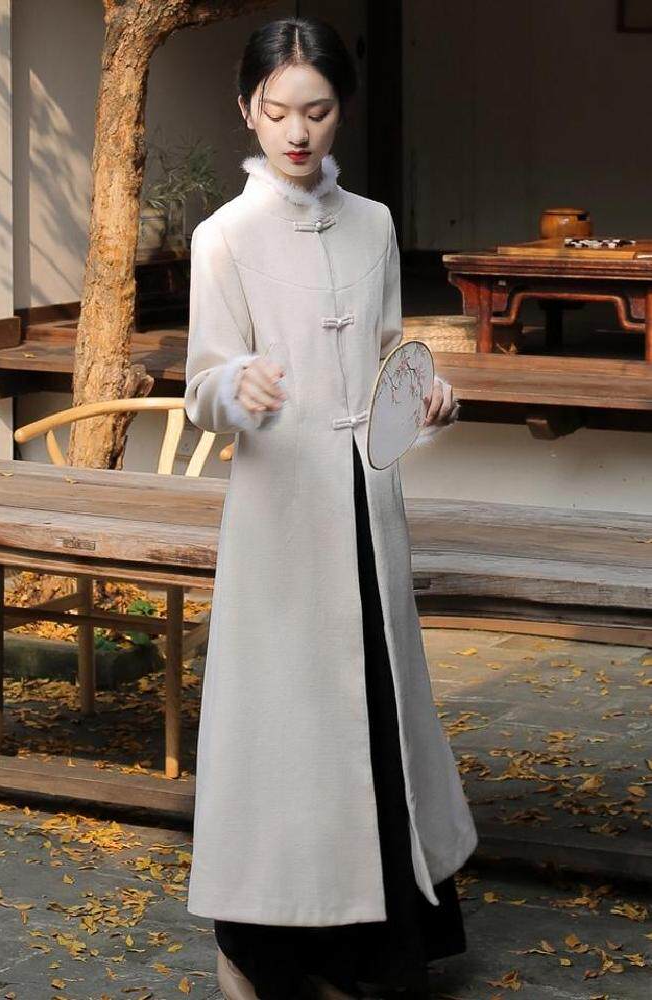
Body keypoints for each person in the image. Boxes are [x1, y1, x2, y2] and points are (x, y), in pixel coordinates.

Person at [183, 16, 478, 1000]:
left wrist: (427, 393)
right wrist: (237, 388)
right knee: (287, 729)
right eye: (277, 112)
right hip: (281, 516)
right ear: (247, 111)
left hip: (367, 506)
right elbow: (199, 386)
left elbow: (392, 354)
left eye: (315, 110)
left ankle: (372, 953)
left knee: (375, 716)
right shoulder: (223, 239)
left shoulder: (375, 224)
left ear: (339, 109)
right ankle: (260, 947)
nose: (297, 132)